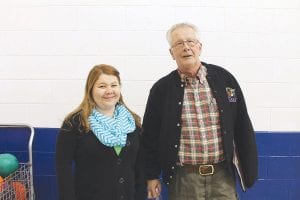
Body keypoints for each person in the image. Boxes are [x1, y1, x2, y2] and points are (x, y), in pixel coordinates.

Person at [142, 23, 258, 200]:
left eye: (190, 41)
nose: (186, 47)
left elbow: (242, 123)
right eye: (178, 43)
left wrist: (249, 167)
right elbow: (149, 136)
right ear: (171, 53)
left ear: (199, 47)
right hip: (183, 179)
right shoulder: (161, 90)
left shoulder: (225, 80)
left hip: (223, 177)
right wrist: (151, 175)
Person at [55, 64, 146, 200]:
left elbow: (140, 166)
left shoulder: (133, 123)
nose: (109, 91)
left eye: (114, 85)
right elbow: (63, 167)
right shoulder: (74, 123)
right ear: (90, 90)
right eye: (102, 86)